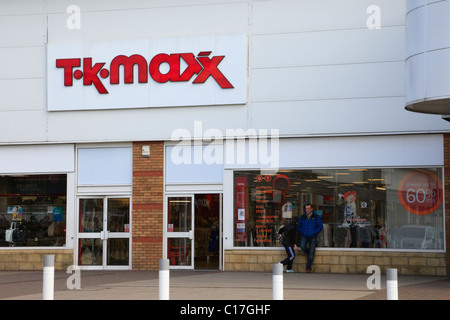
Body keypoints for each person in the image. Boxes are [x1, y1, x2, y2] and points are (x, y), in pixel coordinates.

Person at [297, 203, 323, 272]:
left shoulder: (316, 217)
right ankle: (308, 253)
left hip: (313, 236)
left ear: (311, 209)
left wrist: (314, 232)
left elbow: (320, 226)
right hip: (304, 235)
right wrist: (302, 231)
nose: (307, 210)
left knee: (312, 252)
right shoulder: (302, 217)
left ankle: (308, 267)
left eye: (308, 209)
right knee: (302, 246)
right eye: (306, 209)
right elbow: (298, 226)